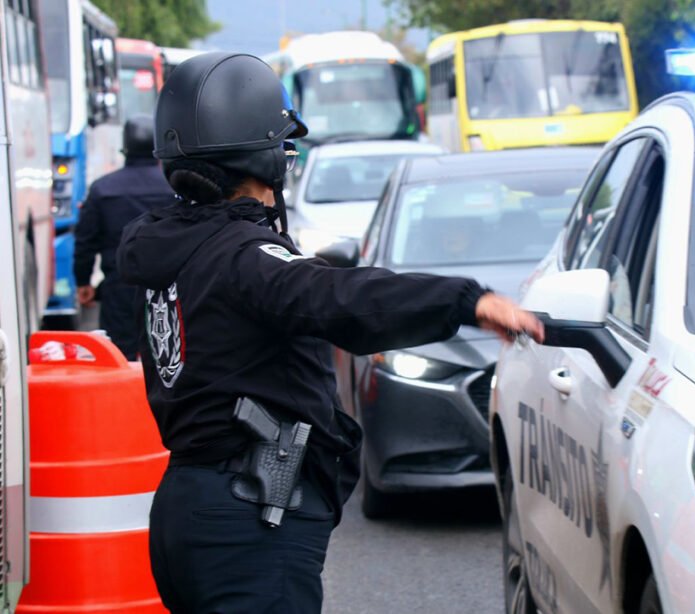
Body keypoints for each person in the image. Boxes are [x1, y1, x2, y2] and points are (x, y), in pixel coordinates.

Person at [116, 52, 543, 614]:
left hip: (188, 508)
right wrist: (468, 301)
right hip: (249, 523)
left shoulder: (168, 247)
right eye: (284, 150)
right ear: (264, 158)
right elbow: (340, 299)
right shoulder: (244, 258)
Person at [73, 115, 174, 358]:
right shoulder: (174, 187)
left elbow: (86, 241)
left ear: (124, 147)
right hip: (169, 287)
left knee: (121, 356)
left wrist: (83, 281)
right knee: (168, 352)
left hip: (118, 287)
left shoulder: (102, 189)